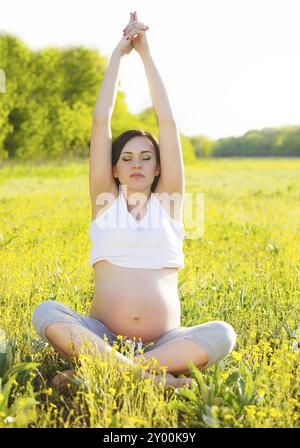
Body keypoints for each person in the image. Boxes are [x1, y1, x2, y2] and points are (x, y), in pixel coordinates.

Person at [32, 11, 236, 391]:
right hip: (101, 335)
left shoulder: (171, 202)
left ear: (159, 168)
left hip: (165, 343)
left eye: (146, 157)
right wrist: (117, 56)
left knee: (222, 334)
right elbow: (99, 121)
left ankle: (106, 372)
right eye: (126, 158)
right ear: (113, 170)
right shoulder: (105, 202)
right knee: (47, 313)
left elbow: (168, 121)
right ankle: (148, 380)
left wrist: (146, 54)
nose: (136, 164)